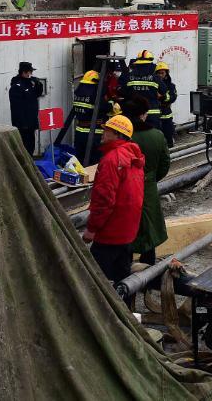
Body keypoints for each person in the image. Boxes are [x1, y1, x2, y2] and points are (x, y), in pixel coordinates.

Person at [82, 114, 145, 285]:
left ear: (117, 134)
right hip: (127, 231)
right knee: (122, 281)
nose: (102, 133)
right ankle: (125, 310)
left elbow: (104, 200)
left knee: (95, 282)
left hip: (109, 234)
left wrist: (92, 228)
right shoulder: (134, 158)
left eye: (107, 130)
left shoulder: (111, 160)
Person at [122, 98, 171, 266]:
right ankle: (148, 272)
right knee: (149, 231)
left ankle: (125, 274)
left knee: (126, 231)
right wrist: (150, 179)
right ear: (143, 115)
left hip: (124, 190)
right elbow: (165, 165)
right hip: (148, 189)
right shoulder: (157, 135)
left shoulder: (122, 137)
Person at [124, 50, 165, 128]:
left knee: (135, 138)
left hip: (135, 115)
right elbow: (164, 91)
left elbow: (124, 92)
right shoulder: (155, 78)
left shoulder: (129, 77)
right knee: (153, 137)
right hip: (152, 114)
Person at [72, 70, 105, 165]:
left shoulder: (78, 93)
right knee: (94, 161)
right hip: (93, 133)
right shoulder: (95, 94)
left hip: (79, 132)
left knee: (80, 160)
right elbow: (105, 107)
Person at [155, 61, 177, 146]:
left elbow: (173, 97)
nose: (160, 75)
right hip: (156, 114)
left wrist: (162, 97)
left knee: (168, 135)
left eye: (162, 73)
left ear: (166, 74)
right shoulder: (153, 84)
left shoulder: (171, 85)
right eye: (158, 73)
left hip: (166, 114)